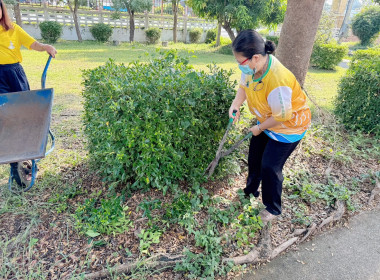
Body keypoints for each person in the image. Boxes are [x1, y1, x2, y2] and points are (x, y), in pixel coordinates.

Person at [229, 30, 311, 223]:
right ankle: (250, 191)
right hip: (268, 120)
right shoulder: (253, 68)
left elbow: (283, 116)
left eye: (240, 62)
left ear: (255, 57)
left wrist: (259, 128)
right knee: (254, 157)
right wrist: (236, 104)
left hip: (289, 127)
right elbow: (244, 86)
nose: (239, 66)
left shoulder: (277, 80)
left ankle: (273, 207)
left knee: (270, 166)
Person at [0, 0, 57, 186]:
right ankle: (14, 162)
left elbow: (32, 43)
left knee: (23, 114)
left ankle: (24, 157)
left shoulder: (13, 29)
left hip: (15, 74)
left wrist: (46, 47)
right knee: (6, 117)